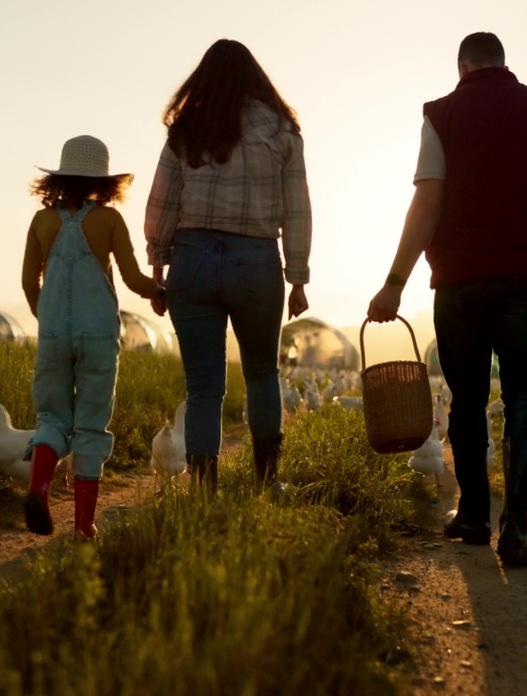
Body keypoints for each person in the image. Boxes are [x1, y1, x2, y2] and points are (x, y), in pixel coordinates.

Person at [367, 32, 527, 567]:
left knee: (468, 401)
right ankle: (518, 529)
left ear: (462, 66)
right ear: (505, 64)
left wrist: (395, 280)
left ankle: (475, 516)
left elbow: (428, 201)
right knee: (526, 399)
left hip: (459, 281)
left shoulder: (441, 113)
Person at [145, 39, 312, 492]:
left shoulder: (186, 129)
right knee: (262, 373)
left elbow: (162, 203)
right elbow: (297, 208)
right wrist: (297, 278)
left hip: (192, 260)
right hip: (256, 260)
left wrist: (159, 269)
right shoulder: (281, 131)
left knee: (203, 386)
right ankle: (267, 479)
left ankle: (204, 486)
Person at [21, 135, 163, 536]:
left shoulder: (42, 221)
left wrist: (47, 318)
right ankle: (84, 527)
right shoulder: (109, 220)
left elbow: (29, 282)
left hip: (53, 334)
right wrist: (162, 292)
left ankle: (40, 489)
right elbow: (134, 280)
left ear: (60, 178)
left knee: (50, 416)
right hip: (98, 334)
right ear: (104, 181)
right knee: (90, 425)